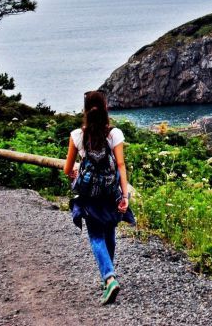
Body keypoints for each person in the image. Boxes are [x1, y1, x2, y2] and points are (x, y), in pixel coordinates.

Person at [63, 90, 135, 305]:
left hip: (89, 196)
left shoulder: (77, 135)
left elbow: (67, 169)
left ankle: (109, 278)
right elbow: (121, 165)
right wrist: (125, 195)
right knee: (109, 232)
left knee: (95, 236)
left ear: (85, 110)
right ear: (105, 108)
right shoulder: (115, 134)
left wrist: (77, 173)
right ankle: (108, 276)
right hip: (110, 192)